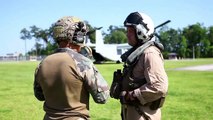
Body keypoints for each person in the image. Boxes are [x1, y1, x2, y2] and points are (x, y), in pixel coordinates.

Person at [33, 16, 109, 120]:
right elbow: (102, 97)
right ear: (76, 36)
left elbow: (39, 96)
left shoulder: (42, 64)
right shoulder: (82, 62)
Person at [110, 12, 168, 120]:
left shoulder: (149, 53)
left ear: (141, 32)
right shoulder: (139, 54)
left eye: (130, 31)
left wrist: (131, 95)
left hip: (144, 115)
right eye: (127, 30)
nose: (127, 34)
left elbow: (159, 86)